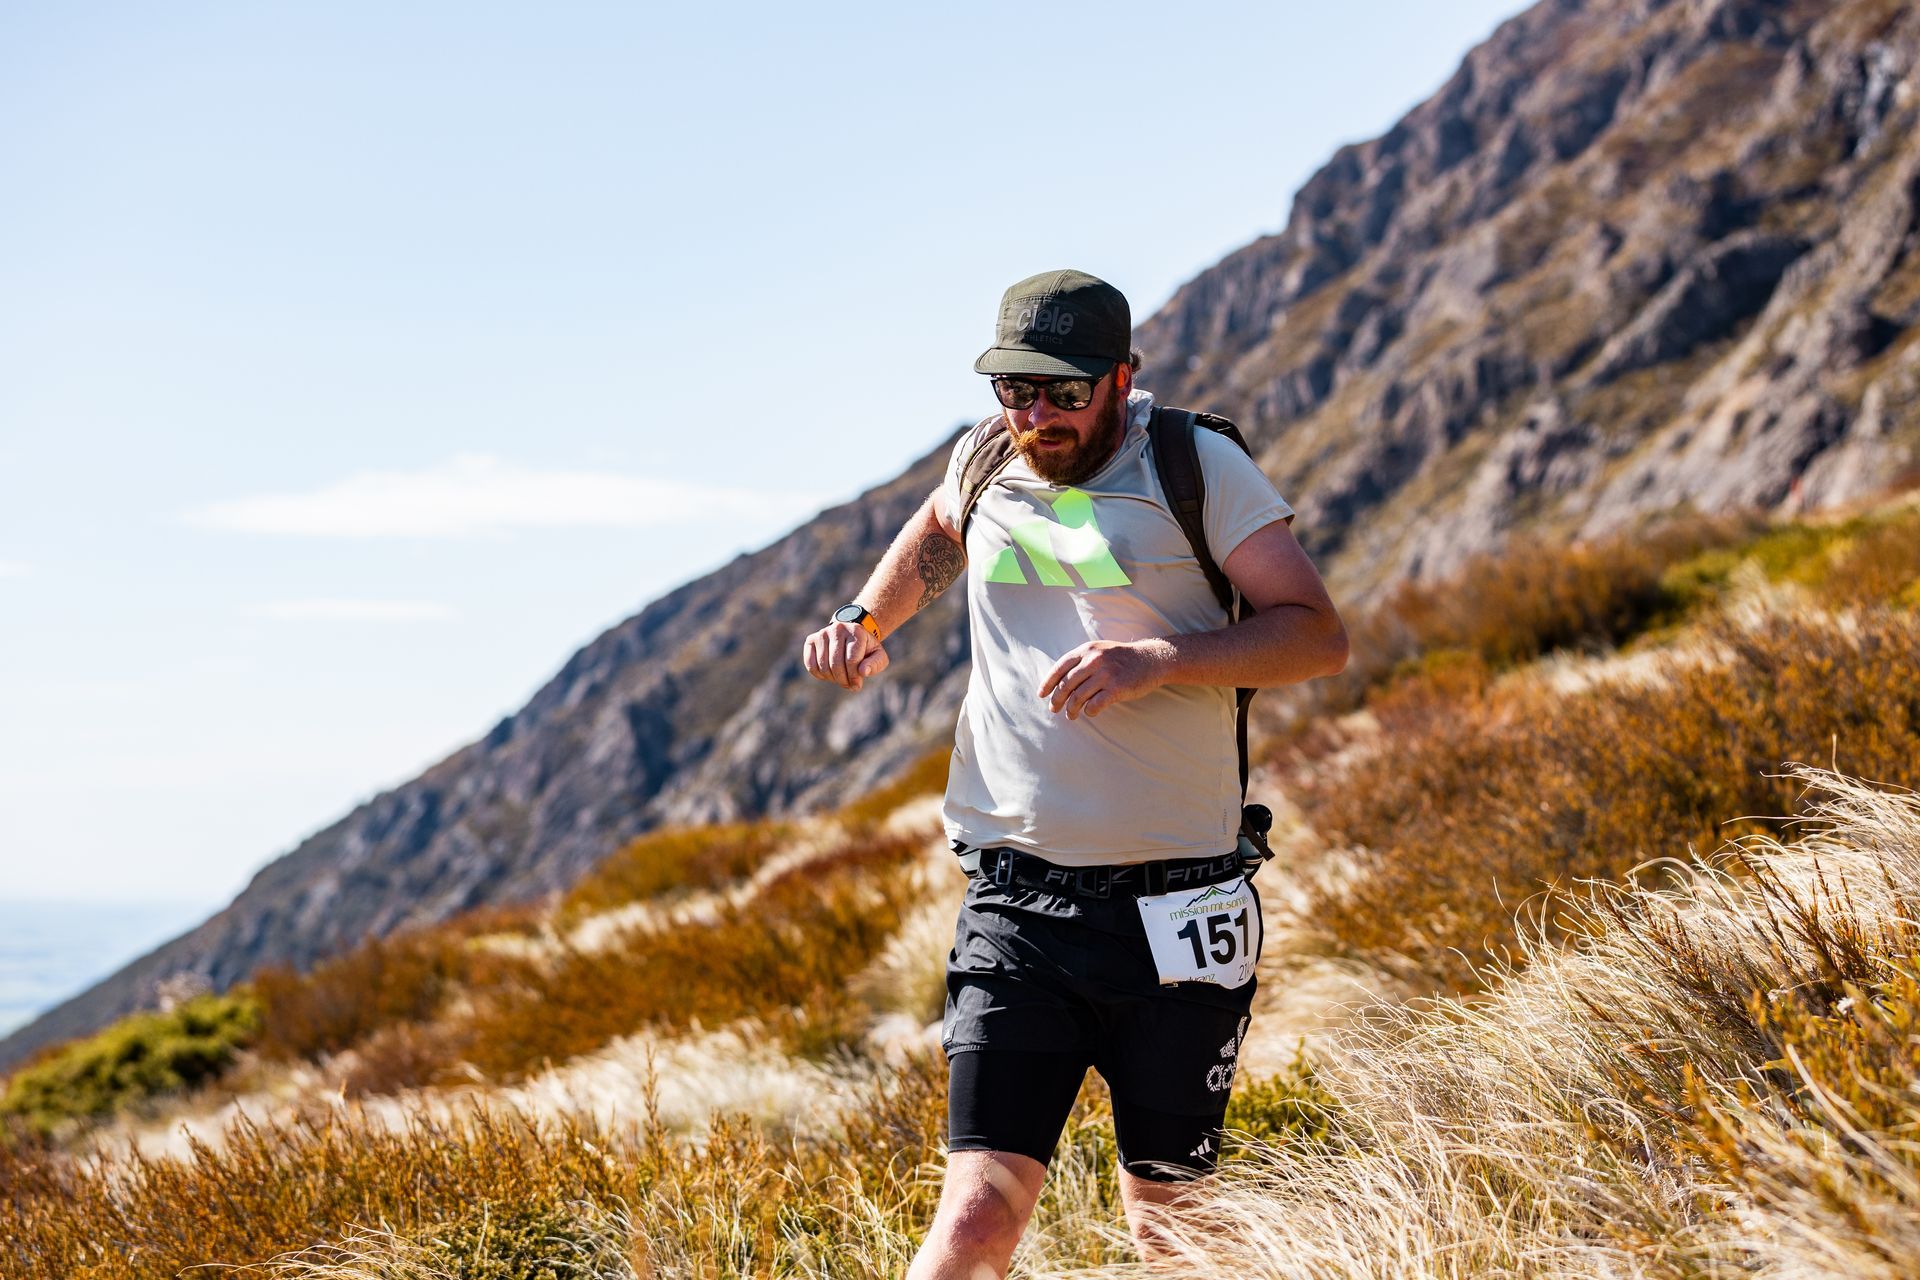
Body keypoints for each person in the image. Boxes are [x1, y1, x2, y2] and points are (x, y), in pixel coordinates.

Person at [801, 268, 1348, 1277]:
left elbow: (1316, 634)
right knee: (973, 1219)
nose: (1037, 416)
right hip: (1019, 905)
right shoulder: (984, 459)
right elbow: (935, 532)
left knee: (1172, 1227)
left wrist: (1164, 660)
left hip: (1181, 911)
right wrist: (864, 621)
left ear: (1120, 376)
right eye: (1016, 390)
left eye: (1064, 392)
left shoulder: (1195, 464)